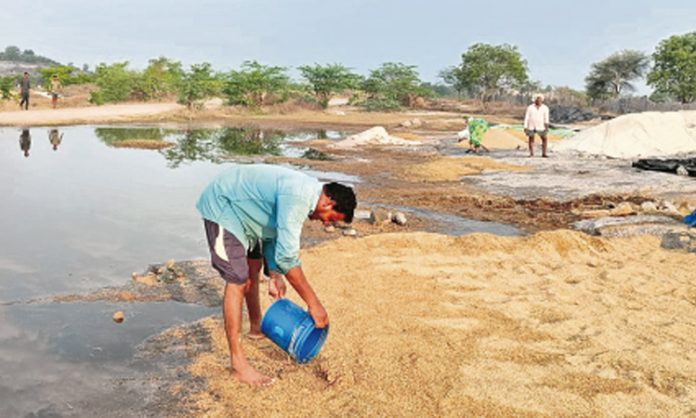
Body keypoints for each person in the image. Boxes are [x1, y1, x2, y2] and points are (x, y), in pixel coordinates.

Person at [196, 164, 357, 386]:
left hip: (250, 217)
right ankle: (238, 365)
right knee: (238, 279)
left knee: (253, 266)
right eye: (331, 217)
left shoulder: (305, 195)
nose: (326, 222)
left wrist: (274, 274)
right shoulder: (298, 196)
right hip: (225, 205)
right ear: (327, 202)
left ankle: (256, 328)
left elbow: (274, 236)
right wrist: (314, 304)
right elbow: (289, 259)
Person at [524, 93, 550, 157]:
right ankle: (531, 153)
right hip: (531, 125)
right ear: (535, 100)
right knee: (531, 139)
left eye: (540, 99)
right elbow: (527, 117)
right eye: (537, 99)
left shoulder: (545, 108)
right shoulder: (530, 107)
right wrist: (525, 126)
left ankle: (544, 153)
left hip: (541, 125)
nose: (539, 101)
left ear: (542, 100)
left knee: (544, 138)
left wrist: (546, 125)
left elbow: (546, 117)